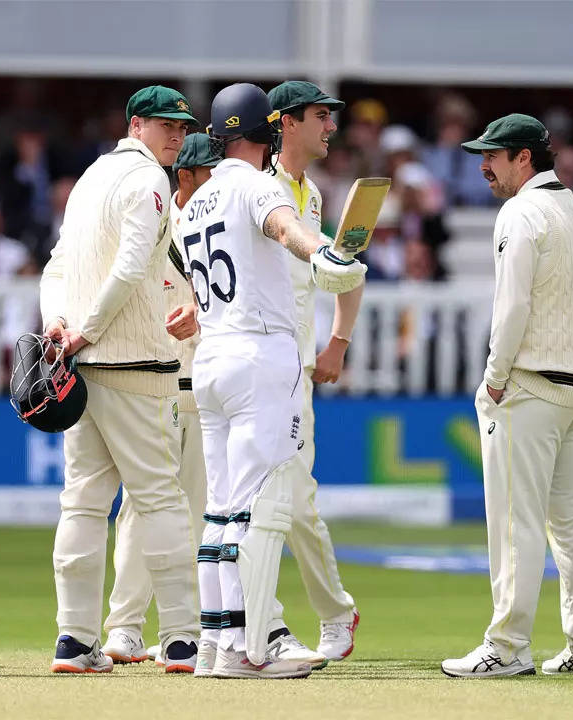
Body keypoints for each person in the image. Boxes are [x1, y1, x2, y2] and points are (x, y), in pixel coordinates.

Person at [182, 83, 364, 679]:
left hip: (210, 358)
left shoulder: (196, 203)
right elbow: (286, 229)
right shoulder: (259, 184)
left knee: (218, 511)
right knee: (256, 509)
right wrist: (325, 256)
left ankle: (214, 643)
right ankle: (251, 646)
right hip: (260, 355)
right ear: (269, 131)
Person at [441, 114, 573, 678]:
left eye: (493, 156)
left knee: (515, 520)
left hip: (534, 384)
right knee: (572, 525)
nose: (483, 167)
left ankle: (509, 647)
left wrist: (493, 378)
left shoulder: (521, 211)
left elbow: (511, 306)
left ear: (524, 159)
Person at [38, 86, 199, 674]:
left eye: (182, 129)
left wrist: (58, 322)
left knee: (82, 503)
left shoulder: (88, 179)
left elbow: (56, 265)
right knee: (159, 496)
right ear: (136, 125)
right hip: (133, 363)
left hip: (82, 369)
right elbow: (132, 266)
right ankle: (182, 637)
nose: (177, 139)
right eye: (166, 127)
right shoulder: (150, 180)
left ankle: (75, 641)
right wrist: (82, 329)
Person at [100, 132, 216, 671]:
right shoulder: (158, 217)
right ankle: (128, 627)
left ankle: (173, 628)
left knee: (182, 511)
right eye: (205, 172)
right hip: (162, 381)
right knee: (149, 509)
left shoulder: (215, 225)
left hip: (203, 386)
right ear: (185, 178)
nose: (215, 181)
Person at [265, 80, 362, 663]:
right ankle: (231, 624)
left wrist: (338, 343)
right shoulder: (257, 188)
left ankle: (333, 614)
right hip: (241, 367)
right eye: (321, 116)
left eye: (332, 116)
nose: (331, 126)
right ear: (286, 122)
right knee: (225, 503)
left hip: (293, 375)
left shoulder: (312, 195)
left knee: (294, 503)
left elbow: (349, 271)